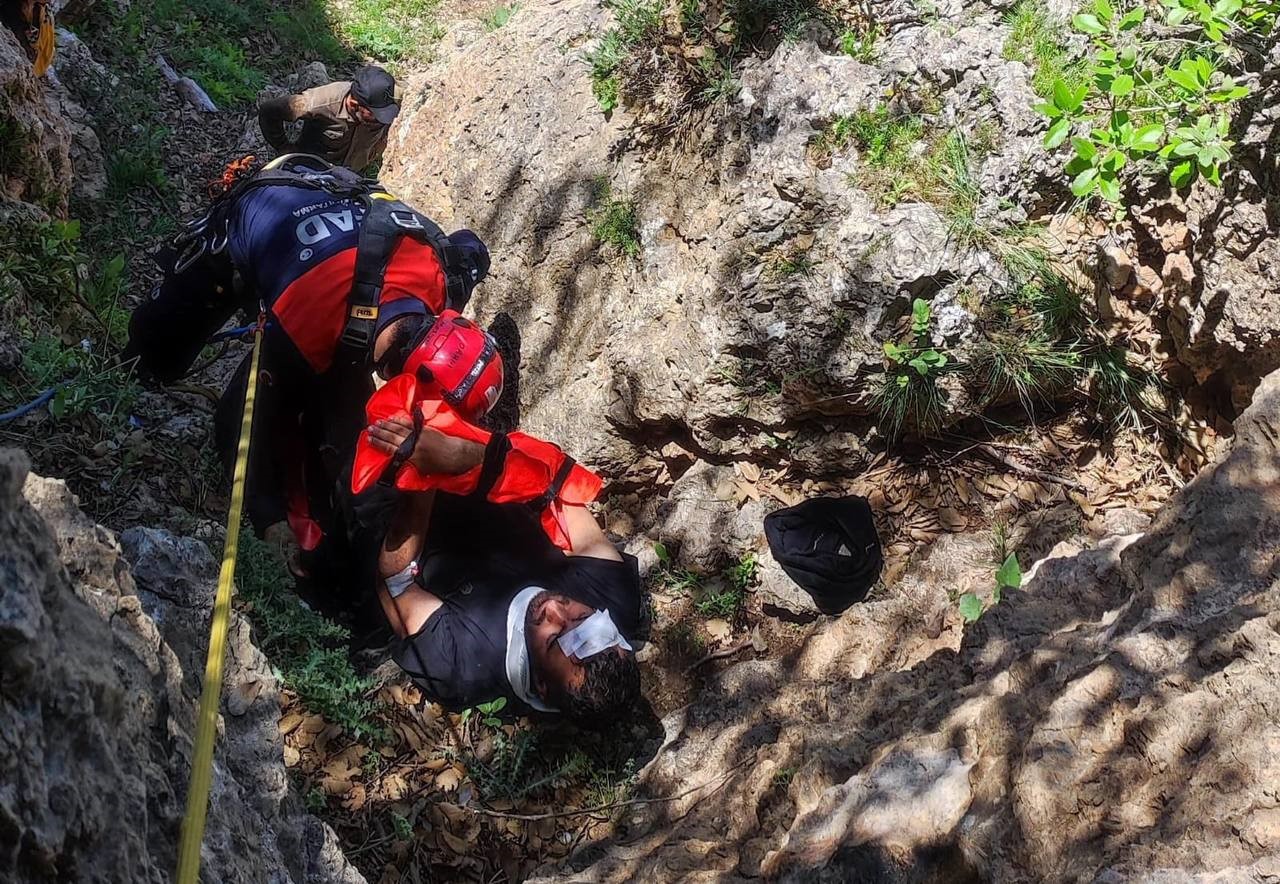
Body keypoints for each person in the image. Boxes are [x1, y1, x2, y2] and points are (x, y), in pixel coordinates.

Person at [123, 154, 498, 573]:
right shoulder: (305, 328)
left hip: (329, 191)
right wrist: (269, 520)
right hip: (257, 208)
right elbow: (239, 417)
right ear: (400, 382)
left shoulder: (444, 273)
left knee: (337, 387)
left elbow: (472, 247)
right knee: (152, 358)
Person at [344, 414, 644, 724]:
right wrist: (465, 456)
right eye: (582, 616)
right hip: (469, 461)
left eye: (554, 638)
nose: (555, 609)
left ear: (541, 686)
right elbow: (552, 490)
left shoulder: (461, 667)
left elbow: (396, 582)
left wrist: (422, 475)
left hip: (387, 503)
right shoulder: (616, 599)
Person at [258, 65, 401, 172]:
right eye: (375, 116)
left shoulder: (391, 98)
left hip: (353, 174)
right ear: (354, 105)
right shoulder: (317, 103)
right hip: (313, 171)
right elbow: (269, 111)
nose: (382, 120)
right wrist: (284, 147)